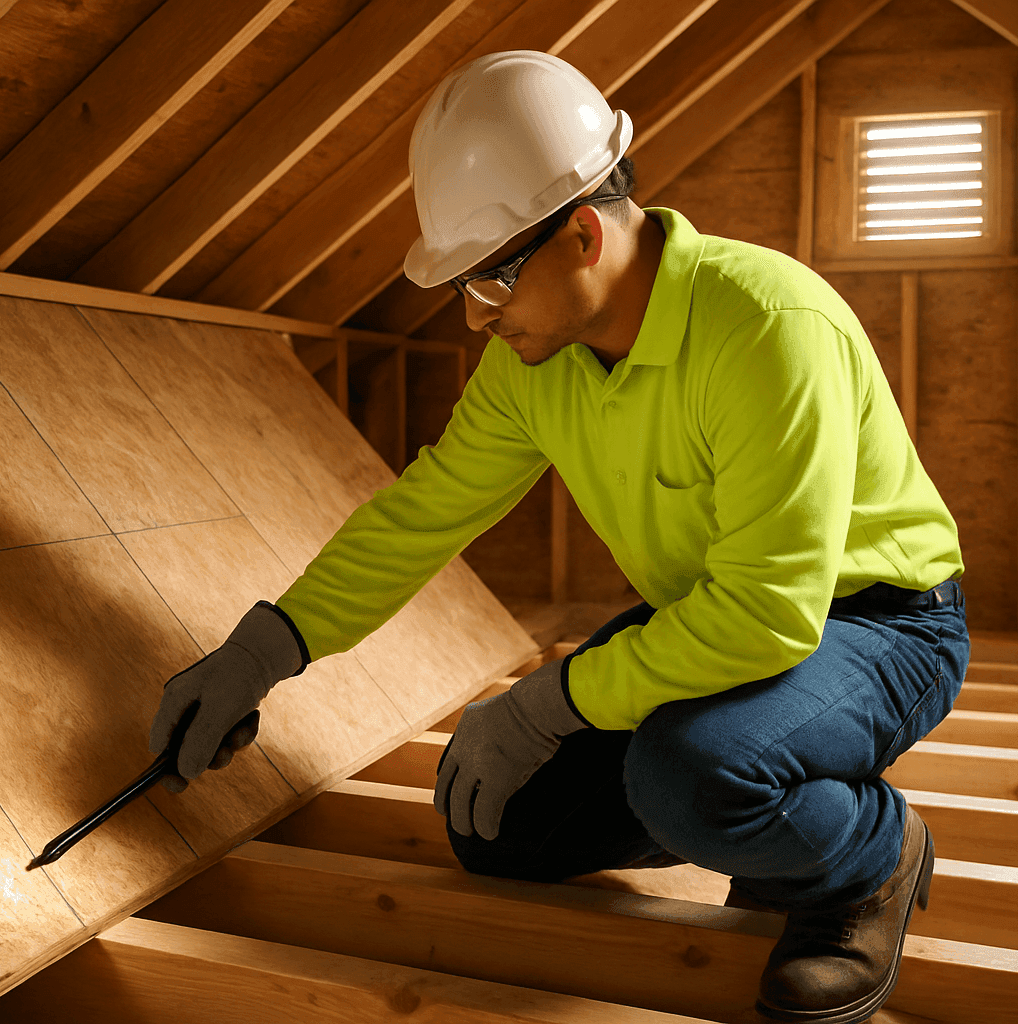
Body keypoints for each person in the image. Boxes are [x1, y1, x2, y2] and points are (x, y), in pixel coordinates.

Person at [148, 50, 969, 1023]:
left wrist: (552, 700)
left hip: (878, 627)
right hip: (713, 622)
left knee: (690, 770)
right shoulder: (535, 366)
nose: (475, 315)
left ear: (582, 235)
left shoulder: (767, 326)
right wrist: (266, 649)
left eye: (490, 281)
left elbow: (768, 615)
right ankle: (762, 802)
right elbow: (422, 512)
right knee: (497, 826)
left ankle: (871, 855)